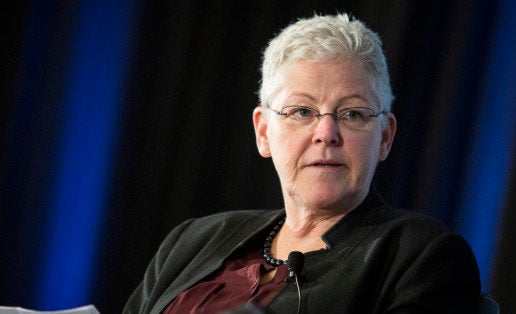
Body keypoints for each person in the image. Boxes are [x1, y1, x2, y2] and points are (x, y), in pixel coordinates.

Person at [124, 13, 480, 313]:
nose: (327, 132)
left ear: (385, 137)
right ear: (263, 132)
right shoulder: (190, 242)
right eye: (302, 111)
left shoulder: (420, 256)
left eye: (353, 113)